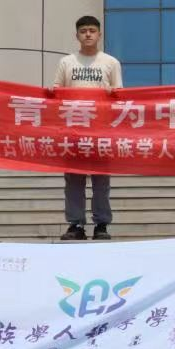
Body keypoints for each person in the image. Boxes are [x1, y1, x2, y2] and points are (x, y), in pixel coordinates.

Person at [49, 15, 122, 241]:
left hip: (101, 131)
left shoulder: (111, 62)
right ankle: (76, 224)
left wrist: (112, 93)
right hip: (73, 131)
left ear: (99, 34)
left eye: (92, 30)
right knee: (74, 181)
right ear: (77, 35)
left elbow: (120, 95)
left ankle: (101, 224)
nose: (88, 34)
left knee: (101, 181)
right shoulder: (67, 62)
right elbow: (56, 91)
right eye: (83, 31)